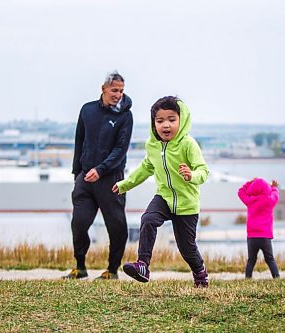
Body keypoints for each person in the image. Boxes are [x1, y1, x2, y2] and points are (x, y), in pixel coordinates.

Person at [113, 96, 210, 288]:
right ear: (154, 123)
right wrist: (125, 184)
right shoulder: (153, 146)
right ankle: (143, 265)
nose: (166, 125)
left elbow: (204, 170)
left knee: (187, 248)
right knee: (148, 219)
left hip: (186, 203)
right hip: (164, 197)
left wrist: (191, 175)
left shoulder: (188, 144)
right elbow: (146, 167)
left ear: (181, 121)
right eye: (160, 121)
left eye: (172, 120)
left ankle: (200, 273)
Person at [63, 71, 133, 280]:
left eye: (121, 91)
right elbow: (79, 141)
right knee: (79, 223)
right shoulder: (87, 110)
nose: (118, 94)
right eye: (114, 90)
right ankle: (80, 268)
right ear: (103, 89)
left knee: (117, 226)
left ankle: (112, 270)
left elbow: (121, 149)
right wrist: (77, 173)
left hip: (110, 179)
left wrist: (101, 169)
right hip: (85, 179)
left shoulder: (125, 116)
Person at [237, 178, 281, 278]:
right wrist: (274, 187)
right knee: (270, 259)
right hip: (265, 237)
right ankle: (276, 277)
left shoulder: (250, 201)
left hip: (252, 237)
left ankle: (248, 278)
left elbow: (240, 192)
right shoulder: (269, 201)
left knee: (251, 260)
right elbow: (276, 195)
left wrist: (248, 183)